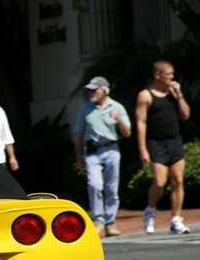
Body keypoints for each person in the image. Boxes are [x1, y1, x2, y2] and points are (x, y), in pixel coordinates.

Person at [136, 60, 191, 234]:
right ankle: (150, 210)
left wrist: (179, 95)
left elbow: (185, 115)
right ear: (158, 75)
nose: (171, 77)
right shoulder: (145, 96)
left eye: (172, 74)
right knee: (160, 182)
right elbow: (141, 122)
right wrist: (143, 149)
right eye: (168, 74)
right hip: (155, 142)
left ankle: (176, 219)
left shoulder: (173, 94)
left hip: (174, 141)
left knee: (178, 180)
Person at [74, 76, 131, 237]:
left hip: (112, 150)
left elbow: (127, 133)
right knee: (95, 185)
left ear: (105, 90)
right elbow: (78, 133)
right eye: (90, 90)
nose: (91, 92)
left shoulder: (117, 107)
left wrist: (118, 118)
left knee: (112, 188)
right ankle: (98, 220)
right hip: (92, 152)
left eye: (95, 89)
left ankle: (110, 222)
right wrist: (79, 156)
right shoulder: (85, 108)